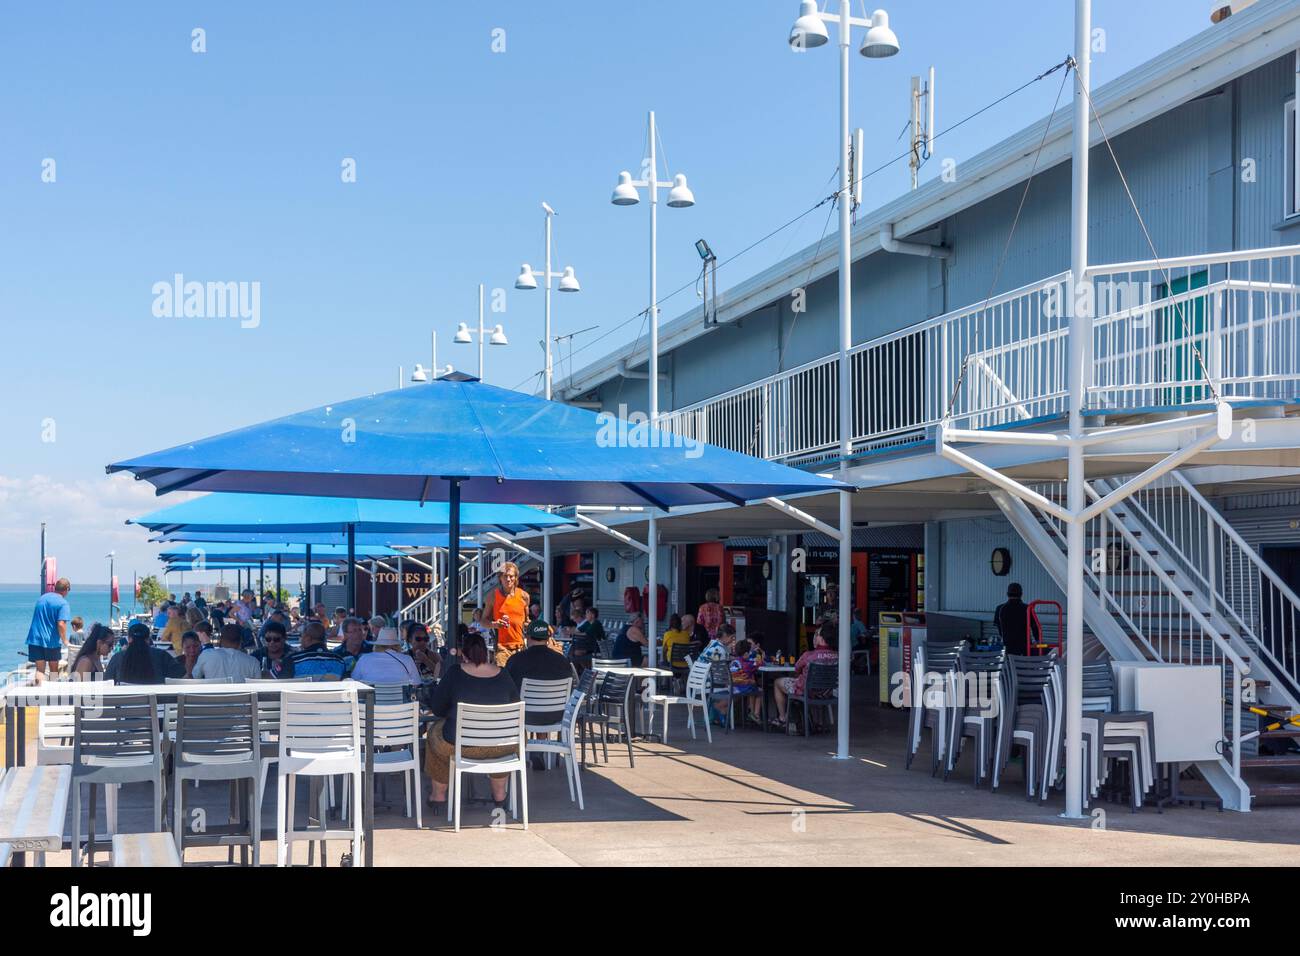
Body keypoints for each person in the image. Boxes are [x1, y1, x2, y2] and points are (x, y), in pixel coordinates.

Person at [423, 630, 520, 813]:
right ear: (486, 653)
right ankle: (499, 794)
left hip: (461, 745)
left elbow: (437, 708)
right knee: (501, 741)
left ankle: (438, 795)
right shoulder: (504, 674)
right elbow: (515, 708)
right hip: (502, 745)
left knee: (434, 736)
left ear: (464, 654)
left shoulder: (454, 673)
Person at [771, 621, 838, 731]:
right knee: (813, 686)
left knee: (777, 682)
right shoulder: (837, 656)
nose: (815, 637)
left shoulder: (808, 655)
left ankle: (782, 718)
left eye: (817, 635)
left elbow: (797, 669)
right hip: (826, 692)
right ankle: (818, 722)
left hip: (807, 691)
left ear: (822, 638)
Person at [505, 618, 573, 721]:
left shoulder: (515, 660)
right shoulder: (563, 661)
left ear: (527, 637)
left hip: (524, 717)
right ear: (548, 638)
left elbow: (508, 689)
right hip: (557, 716)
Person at [25, 577, 72, 681]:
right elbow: (61, 624)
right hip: (51, 641)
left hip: (35, 638)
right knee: (53, 670)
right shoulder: (63, 603)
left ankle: (39, 689)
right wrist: (65, 640)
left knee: (40, 670)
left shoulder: (42, 598)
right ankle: (52, 689)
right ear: (66, 589)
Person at [107, 621, 184, 684]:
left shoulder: (117, 658)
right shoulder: (161, 656)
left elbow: (107, 682)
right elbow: (180, 676)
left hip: (125, 698)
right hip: (156, 698)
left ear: (129, 639)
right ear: (148, 640)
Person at [489, 561, 529, 667]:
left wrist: (528, 625)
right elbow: (483, 620)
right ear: (500, 578)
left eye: (511, 576)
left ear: (516, 578)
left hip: (520, 647)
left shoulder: (524, 596)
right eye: (505, 576)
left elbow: (526, 621)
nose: (508, 579)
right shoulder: (493, 596)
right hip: (501, 648)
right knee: (502, 675)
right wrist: (494, 624)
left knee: (519, 675)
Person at [193, 623, 262, 682]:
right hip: (241, 694)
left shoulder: (206, 655)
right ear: (241, 641)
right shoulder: (253, 662)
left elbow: (194, 678)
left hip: (212, 693)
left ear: (220, 640)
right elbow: (258, 688)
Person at [351, 627, 422, 685]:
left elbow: (354, 681)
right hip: (401, 698)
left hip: (372, 698)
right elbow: (417, 683)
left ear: (377, 645)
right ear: (397, 645)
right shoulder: (407, 659)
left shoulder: (364, 659)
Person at [724, 639, 764, 726]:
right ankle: (755, 714)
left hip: (732, 687)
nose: (750, 654)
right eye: (749, 653)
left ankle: (751, 711)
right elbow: (760, 663)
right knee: (760, 691)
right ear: (746, 654)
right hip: (741, 688)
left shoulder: (734, 662)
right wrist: (760, 654)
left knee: (753, 686)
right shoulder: (748, 665)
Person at [994, 582, 1041, 655]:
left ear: (1007, 594)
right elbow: (1035, 627)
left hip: (1008, 646)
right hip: (1025, 646)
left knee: (1009, 662)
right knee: (1025, 662)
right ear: (1021, 594)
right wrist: (1037, 640)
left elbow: (999, 627)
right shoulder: (1028, 608)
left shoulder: (1000, 609)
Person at [570, 606, 604, 673]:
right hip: (588, 646)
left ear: (592, 615)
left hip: (597, 647)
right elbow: (577, 630)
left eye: (587, 613)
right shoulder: (587, 623)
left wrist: (573, 633)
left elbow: (585, 634)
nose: (585, 615)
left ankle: (581, 670)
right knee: (573, 651)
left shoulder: (596, 623)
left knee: (575, 653)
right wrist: (572, 631)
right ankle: (580, 670)